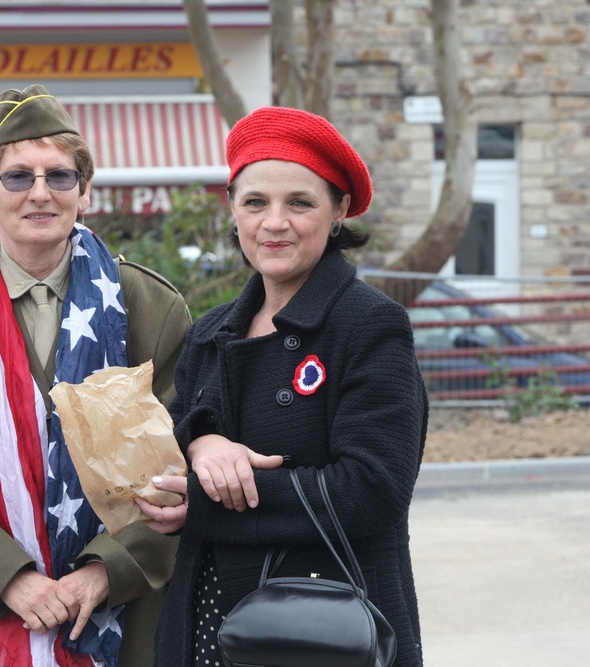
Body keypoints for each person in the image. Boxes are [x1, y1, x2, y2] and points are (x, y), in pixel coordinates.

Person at [0, 84, 191, 667]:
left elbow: (179, 471)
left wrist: (104, 572)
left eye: (60, 176)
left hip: (125, 617)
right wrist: (9, 579)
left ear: (86, 190)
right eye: (18, 177)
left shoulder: (151, 307)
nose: (40, 194)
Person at [137, 106, 428, 666]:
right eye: (255, 203)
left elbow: (373, 490)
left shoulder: (370, 326)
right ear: (234, 210)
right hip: (206, 626)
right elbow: (169, 436)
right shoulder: (209, 330)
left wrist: (209, 503)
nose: (275, 223)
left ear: (339, 210)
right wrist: (201, 443)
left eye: (300, 202)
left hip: (324, 628)